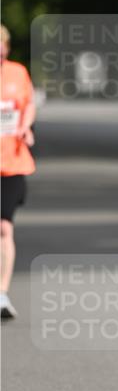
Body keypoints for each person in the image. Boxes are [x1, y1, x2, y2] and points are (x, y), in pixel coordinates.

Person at [1, 24, 36, 320]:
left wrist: (25, 126)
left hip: (12, 162)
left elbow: (29, 103)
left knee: (4, 228)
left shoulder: (18, 73)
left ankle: (1, 293)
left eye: (2, 44)